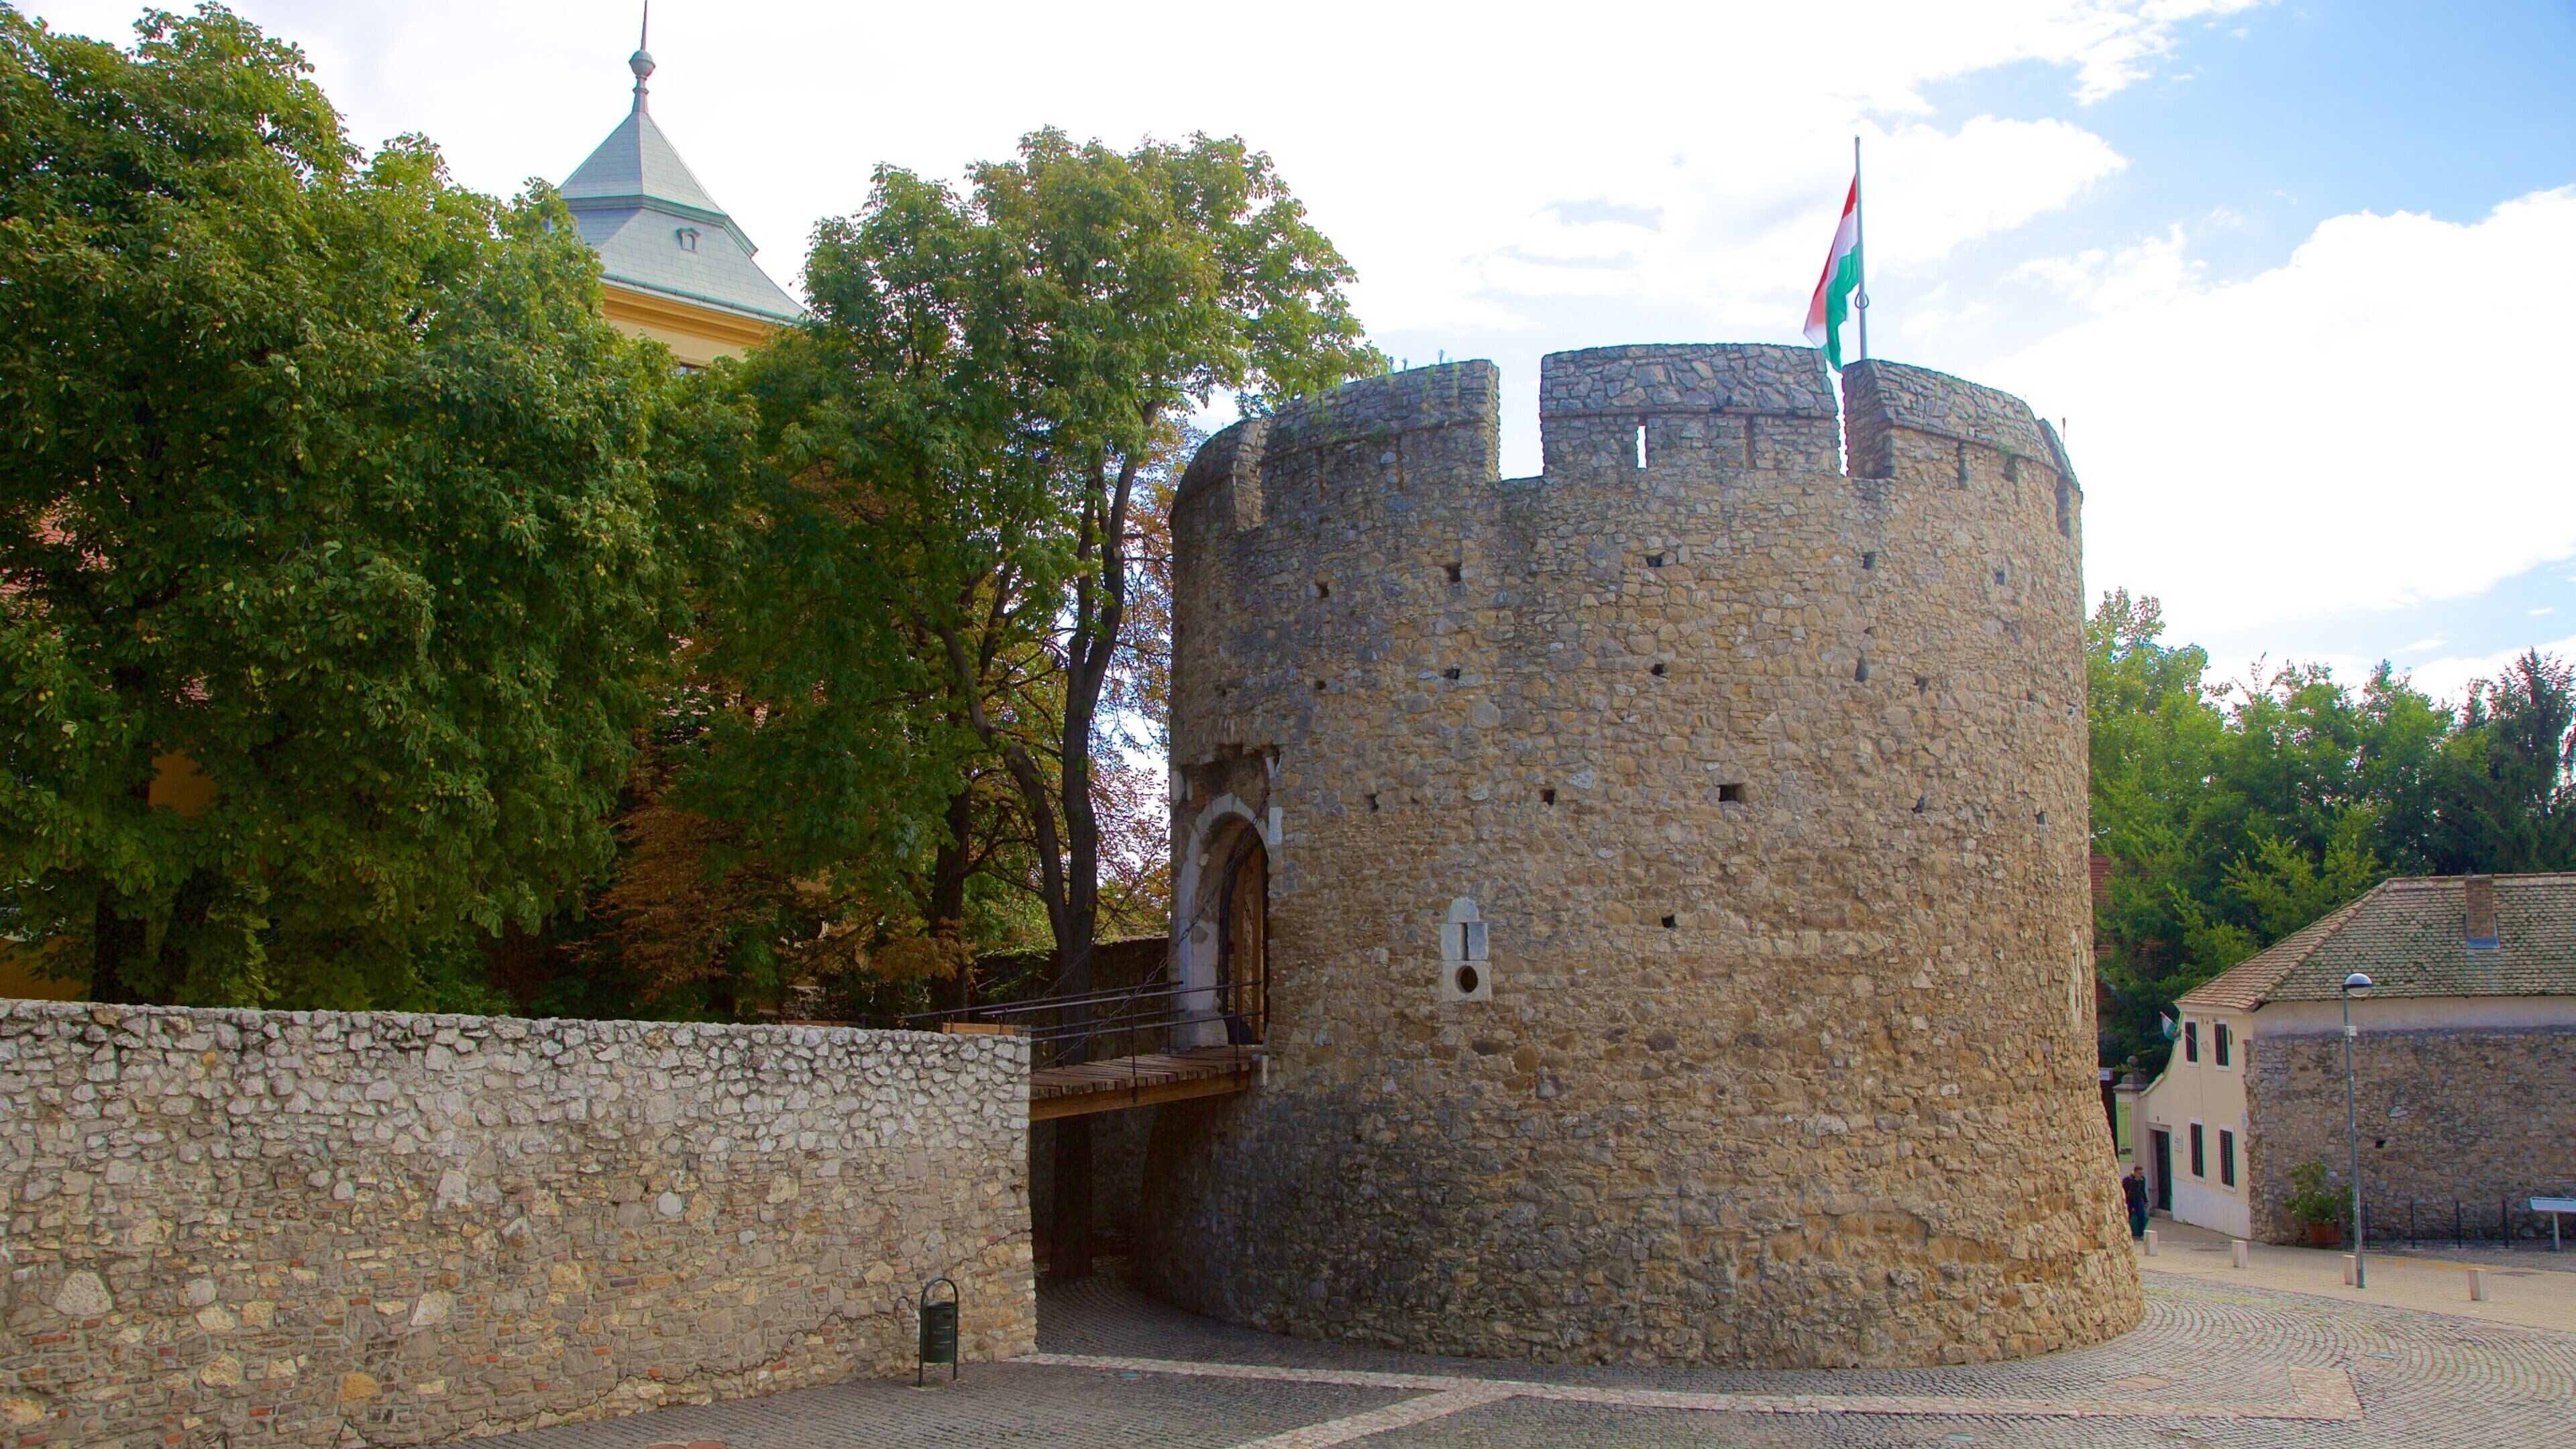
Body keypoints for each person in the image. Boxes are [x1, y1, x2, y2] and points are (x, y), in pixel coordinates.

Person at [2123, 1164, 2150, 1240]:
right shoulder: (2128, 1180)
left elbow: (2143, 1191)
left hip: (2138, 1200)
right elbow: (2124, 1190)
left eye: (2141, 1173)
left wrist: (2146, 1201)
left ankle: (2141, 1234)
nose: (2140, 1175)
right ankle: (2128, 1233)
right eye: (2139, 1173)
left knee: (2141, 1215)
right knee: (2128, 1216)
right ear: (2135, 1173)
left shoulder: (2142, 1180)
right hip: (2129, 1200)